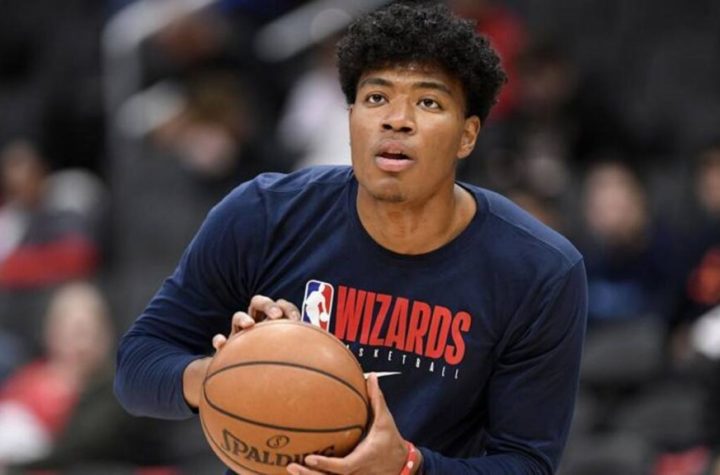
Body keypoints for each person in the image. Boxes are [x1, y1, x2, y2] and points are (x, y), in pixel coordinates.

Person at [115, 3, 587, 474]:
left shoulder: (539, 270)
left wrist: (407, 466)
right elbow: (136, 366)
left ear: (467, 136)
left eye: (428, 102)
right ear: (351, 117)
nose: (396, 119)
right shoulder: (262, 214)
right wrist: (227, 373)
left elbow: (527, 464)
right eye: (376, 98)